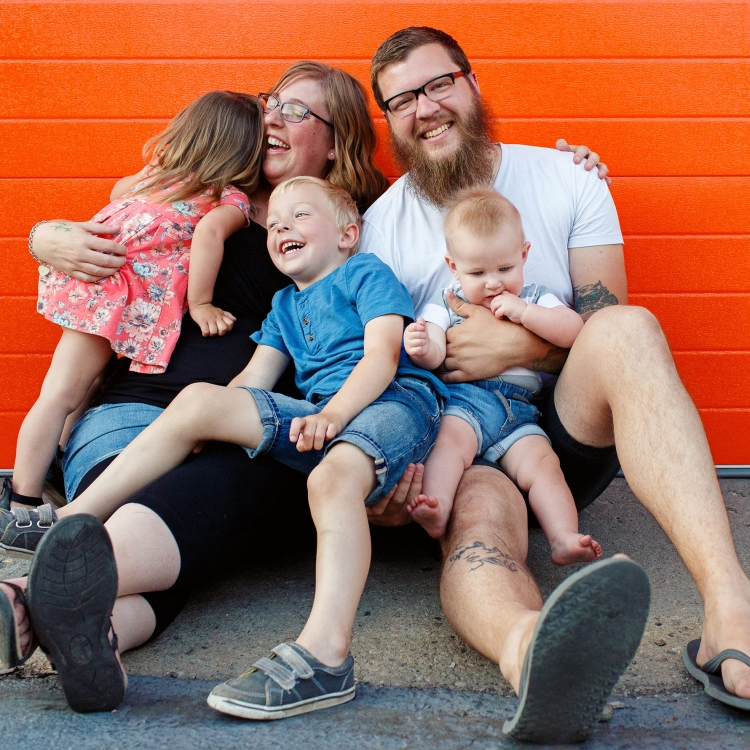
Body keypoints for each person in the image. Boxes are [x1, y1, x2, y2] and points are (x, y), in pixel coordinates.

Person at [0, 53, 607, 715]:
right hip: (136, 416)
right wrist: (45, 236)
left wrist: (572, 170)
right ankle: (64, 592)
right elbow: (116, 225)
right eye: (269, 104)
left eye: (295, 110)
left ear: (337, 147)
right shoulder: (206, 193)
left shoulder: (364, 234)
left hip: (286, 431)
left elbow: (445, 261)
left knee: (213, 516)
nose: (270, 119)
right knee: (186, 508)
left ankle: (40, 603)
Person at [361, 26, 750, 741]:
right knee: (478, 521)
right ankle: (534, 653)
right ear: (389, 119)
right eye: (402, 100)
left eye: (438, 84)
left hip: (566, 429)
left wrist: (520, 346)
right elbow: (380, 358)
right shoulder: (381, 226)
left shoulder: (568, 178)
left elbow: (604, 324)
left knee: (629, 328)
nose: (425, 108)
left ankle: (731, 606)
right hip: (463, 439)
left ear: (472, 83)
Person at [27, 176, 445, 718]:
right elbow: (254, 380)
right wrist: (211, 422)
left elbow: (382, 358)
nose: (282, 228)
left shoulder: (366, 273)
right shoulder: (284, 305)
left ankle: (326, 655)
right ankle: (75, 519)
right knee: (201, 399)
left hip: (393, 404)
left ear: (348, 234)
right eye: (275, 224)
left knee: (331, 478)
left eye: (300, 216)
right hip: (319, 416)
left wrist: (333, 415)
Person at [4, 92, 261, 514]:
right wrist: (200, 305)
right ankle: (22, 501)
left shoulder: (156, 176)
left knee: (85, 385)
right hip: (114, 295)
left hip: (99, 285)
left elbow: (118, 191)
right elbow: (209, 234)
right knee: (60, 395)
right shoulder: (229, 198)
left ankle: (58, 464)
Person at [404, 189, 602, 570]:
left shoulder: (534, 296)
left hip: (519, 412)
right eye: (478, 273)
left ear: (524, 255)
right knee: (447, 447)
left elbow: (573, 329)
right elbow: (437, 351)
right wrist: (421, 346)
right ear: (453, 267)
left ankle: (564, 537)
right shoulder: (447, 301)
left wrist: (525, 313)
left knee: (544, 466)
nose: (493, 283)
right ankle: (437, 507)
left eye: (505, 269)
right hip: (465, 403)